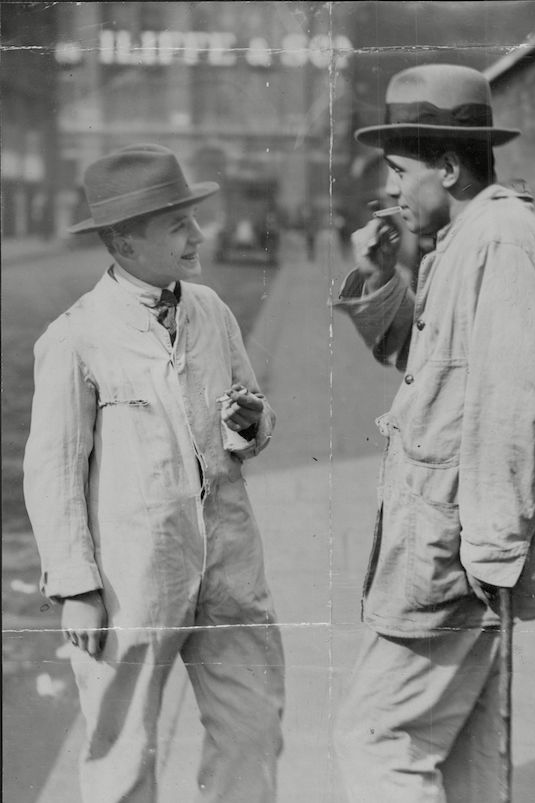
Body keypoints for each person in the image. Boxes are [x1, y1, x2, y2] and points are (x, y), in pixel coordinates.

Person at [333, 64, 535, 802]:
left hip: (456, 556)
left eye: (399, 172)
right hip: (460, 549)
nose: (390, 192)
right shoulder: (468, 237)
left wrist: (492, 552)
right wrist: (380, 279)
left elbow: (525, 407)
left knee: (378, 739)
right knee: (466, 760)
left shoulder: (502, 242)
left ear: (448, 167)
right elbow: (429, 365)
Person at [23, 144, 285, 803]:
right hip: (134, 579)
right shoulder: (78, 336)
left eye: (192, 220)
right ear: (124, 241)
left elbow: (251, 416)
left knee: (252, 730)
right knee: (120, 751)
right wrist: (77, 585)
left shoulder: (211, 311)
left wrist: (250, 423)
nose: (199, 234)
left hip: (228, 565)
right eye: (178, 224)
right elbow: (51, 473)